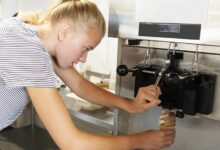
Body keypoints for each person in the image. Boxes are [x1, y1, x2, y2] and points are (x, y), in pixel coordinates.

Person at [0, 0, 175, 149]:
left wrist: (131, 105)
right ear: (65, 32)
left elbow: (79, 85)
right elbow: (71, 142)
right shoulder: (29, 51)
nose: (83, 59)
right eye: (86, 48)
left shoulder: (27, 32)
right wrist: (138, 141)